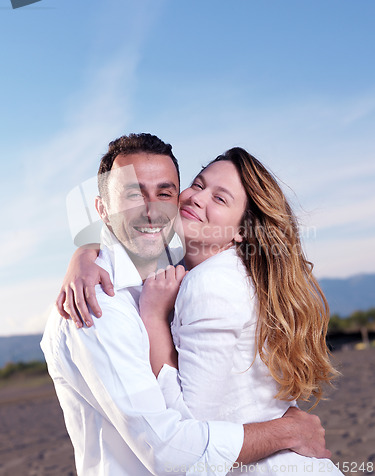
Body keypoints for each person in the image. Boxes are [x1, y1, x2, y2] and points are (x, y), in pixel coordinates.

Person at [49, 133, 333, 476]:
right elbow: (171, 452)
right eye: (133, 194)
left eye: (165, 193)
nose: (151, 209)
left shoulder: (186, 268)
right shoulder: (96, 303)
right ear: (102, 209)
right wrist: (287, 431)